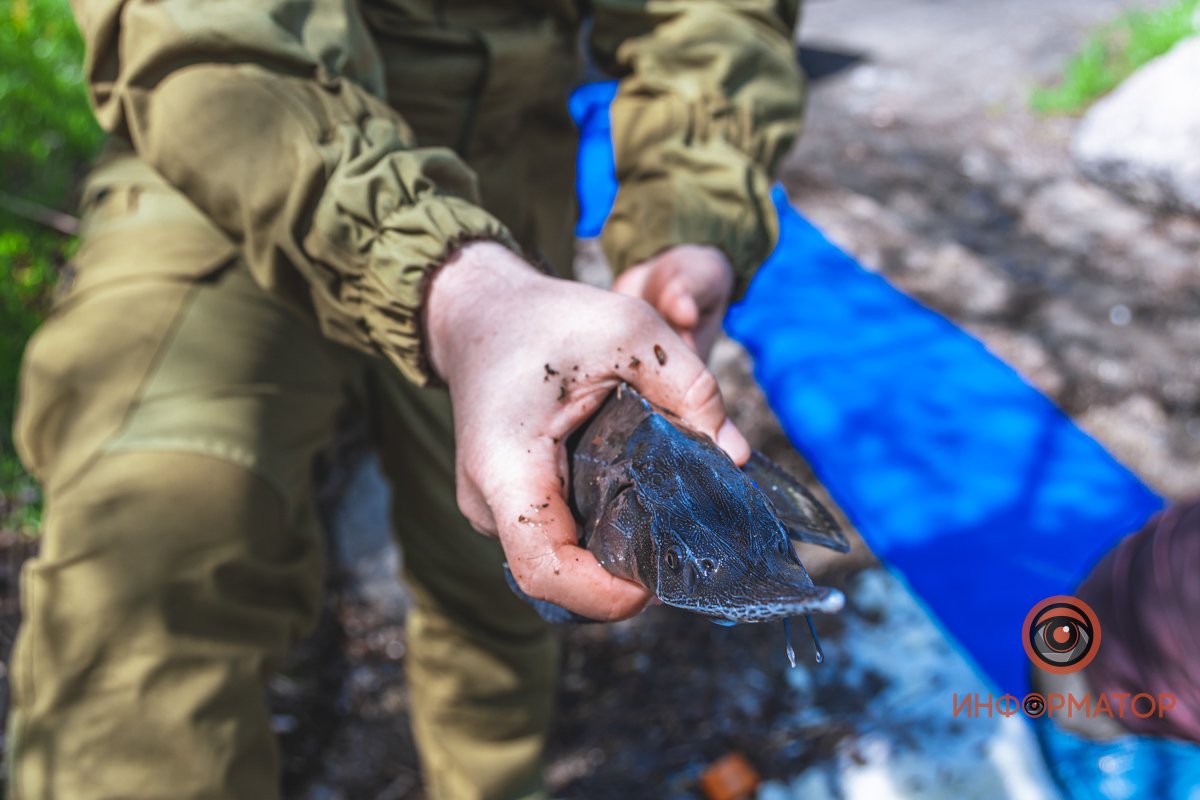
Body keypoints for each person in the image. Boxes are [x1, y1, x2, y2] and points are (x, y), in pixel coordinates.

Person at [7, 1, 805, 798]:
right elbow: (199, 33)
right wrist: (460, 290)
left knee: (515, 577)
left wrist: (690, 215)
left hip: (506, 191)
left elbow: (713, 17)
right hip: (222, 163)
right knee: (145, 581)